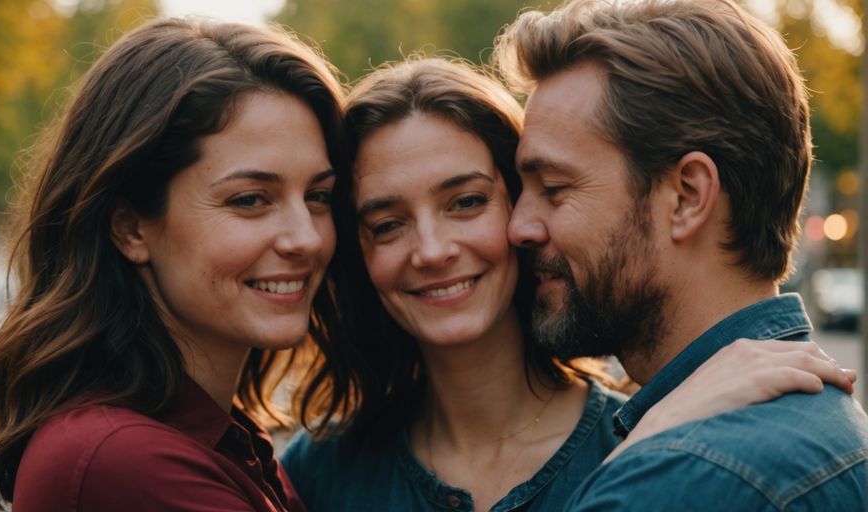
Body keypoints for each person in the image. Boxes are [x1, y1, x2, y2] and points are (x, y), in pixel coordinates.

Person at [281, 57, 855, 512]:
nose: (432, 251)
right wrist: (644, 448)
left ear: (525, 210)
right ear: (357, 253)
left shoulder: (675, 443)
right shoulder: (320, 472)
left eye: (467, 202)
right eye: (387, 224)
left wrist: (646, 446)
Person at [0, 17, 344, 512]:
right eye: (249, 199)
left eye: (319, 196)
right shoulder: (122, 462)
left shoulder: (218, 433)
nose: (305, 237)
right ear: (131, 228)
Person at [497, 0, 868, 509]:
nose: (518, 226)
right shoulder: (820, 426)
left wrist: (638, 466)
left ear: (688, 197)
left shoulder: (685, 478)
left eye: (556, 188)